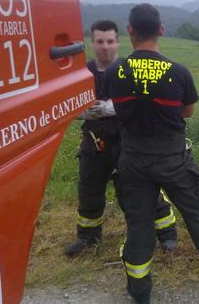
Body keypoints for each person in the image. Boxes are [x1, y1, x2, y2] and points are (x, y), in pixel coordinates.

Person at [105, 4, 199, 304]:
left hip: (132, 159)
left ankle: (139, 291)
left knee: (138, 225)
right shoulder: (178, 73)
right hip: (173, 158)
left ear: (129, 30)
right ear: (161, 30)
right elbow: (187, 111)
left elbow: (115, 107)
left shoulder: (114, 71)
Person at [65, 20, 177, 257]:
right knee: (89, 190)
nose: (105, 46)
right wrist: (83, 112)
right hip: (93, 141)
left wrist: (109, 108)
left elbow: (144, 103)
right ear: (92, 43)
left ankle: (167, 234)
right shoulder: (82, 74)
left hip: (127, 141)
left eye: (109, 41)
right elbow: (68, 107)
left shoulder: (130, 70)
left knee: (142, 190)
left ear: (118, 42)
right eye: (99, 41)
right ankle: (88, 238)